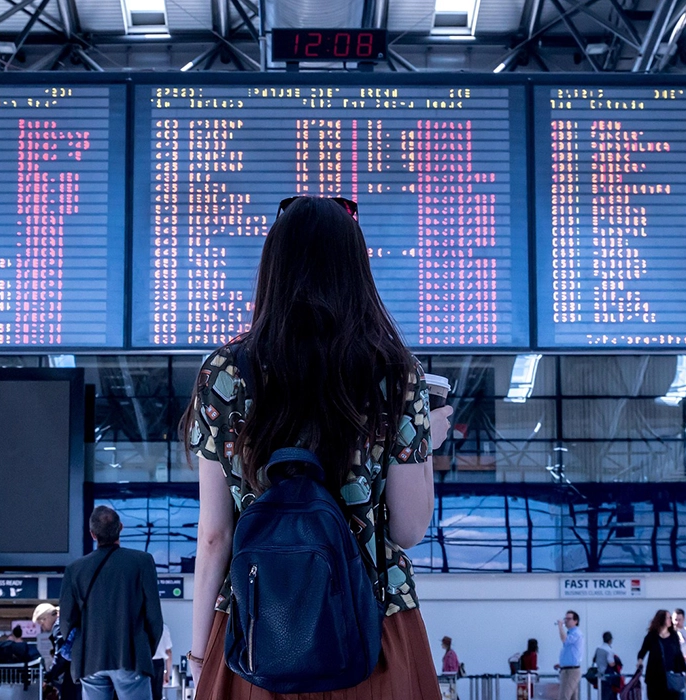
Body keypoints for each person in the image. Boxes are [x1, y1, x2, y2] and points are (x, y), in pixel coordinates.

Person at [184, 196, 455, 699]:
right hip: (372, 629)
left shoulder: (223, 373)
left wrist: (200, 658)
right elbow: (408, 528)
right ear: (356, 269)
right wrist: (426, 444)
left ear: (273, 267)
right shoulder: (396, 373)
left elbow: (215, 537)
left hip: (257, 627)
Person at [59, 505, 163, 700]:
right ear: (121, 527)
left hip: (90, 660)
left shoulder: (75, 570)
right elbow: (154, 616)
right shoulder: (142, 561)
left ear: (92, 534)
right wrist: (145, 649)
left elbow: (66, 620)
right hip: (131, 656)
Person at [636, 610, 686, 700]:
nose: (670, 620)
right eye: (668, 618)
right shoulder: (652, 636)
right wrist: (640, 661)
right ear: (661, 620)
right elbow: (643, 651)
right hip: (655, 678)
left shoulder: (673, 636)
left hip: (671, 677)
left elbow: (679, 655)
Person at [554, 610, 584, 700]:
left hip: (572, 671)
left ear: (576, 621)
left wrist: (560, 627)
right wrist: (562, 663)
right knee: (572, 697)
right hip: (567, 668)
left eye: (569, 619)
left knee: (564, 696)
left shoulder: (576, 633)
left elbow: (564, 640)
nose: (566, 621)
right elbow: (571, 652)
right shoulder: (570, 633)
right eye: (565, 618)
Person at [593, 632, 620, 700]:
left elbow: (594, 660)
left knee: (602, 696)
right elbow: (611, 663)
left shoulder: (598, 649)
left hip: (599, 676)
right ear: (610, 640)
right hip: (607, 677)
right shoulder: (609, 650)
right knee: (608, 696)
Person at [150, 625, 172, 700]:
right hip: (158, 664)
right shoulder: (163, 627)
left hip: (143, 662)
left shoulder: (140, 624)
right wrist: (167, 674)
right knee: (156, 695)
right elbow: (168, 652)